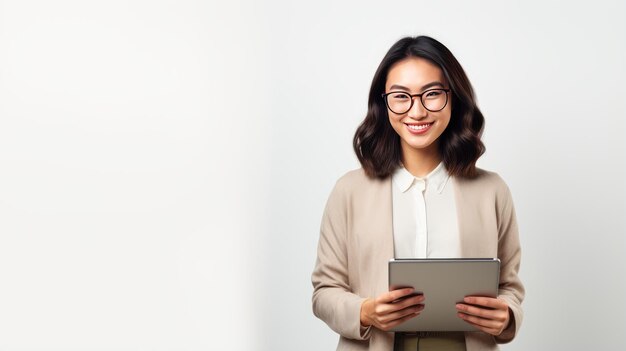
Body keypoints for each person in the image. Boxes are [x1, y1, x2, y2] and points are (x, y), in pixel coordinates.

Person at [311, 36, 524, 351]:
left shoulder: (491, 190)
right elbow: (324, 291)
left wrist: (506, 316)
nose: (417, 110)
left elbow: (509, 287)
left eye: (432, 94)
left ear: (455, 98)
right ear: (383, 103)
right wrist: (364, 312)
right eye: (401, 96)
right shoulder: (350, 191)